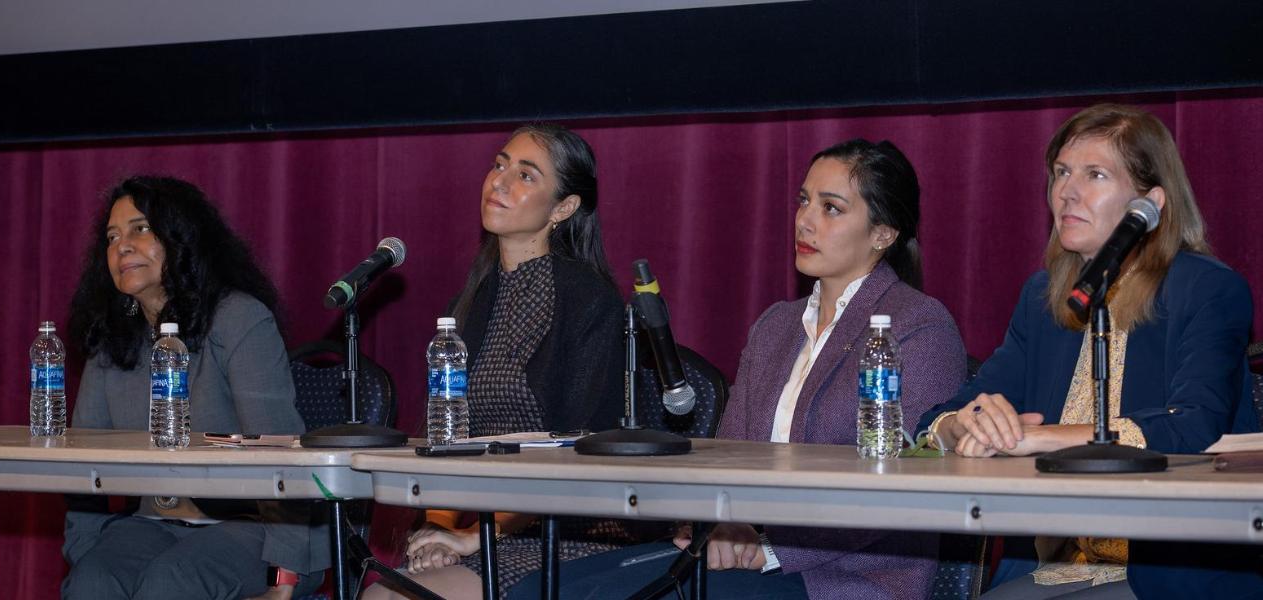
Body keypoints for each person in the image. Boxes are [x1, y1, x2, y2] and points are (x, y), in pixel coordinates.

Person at [524, 139, 968, 600]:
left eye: (831, 208)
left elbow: (901, 487)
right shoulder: (776, 326)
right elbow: (730, 456)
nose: (805, 220)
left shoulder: (919, 326)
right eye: (803, 201)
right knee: (540, 589)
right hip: (743, 558)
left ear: (883, 234)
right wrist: (718, 522)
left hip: (843, 578)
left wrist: (770, 550)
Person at [917, 104, 1262, 599]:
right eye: (1061, 172)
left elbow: (1193, 425)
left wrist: (1040, 438)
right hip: (1051, 567)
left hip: (1168, 574)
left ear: (1150, 203)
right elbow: (947, 411)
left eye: (1095, 174)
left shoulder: (1207, 289)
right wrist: (963, 425)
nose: (1067, 192)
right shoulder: (1043, 298)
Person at [364, 124, 627, 600]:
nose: (499, 182)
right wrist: (439, 526)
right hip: (494, 530)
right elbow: (450, 435)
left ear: (564, 208)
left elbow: (577, 450)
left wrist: (475, 535)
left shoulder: (589, 300)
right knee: (383, 591)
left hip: (576, 532)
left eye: (525, 175)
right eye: (499, 165)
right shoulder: (475, 299)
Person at [63, 176, 326, 600]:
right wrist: (85, 553)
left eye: (140, 229)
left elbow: (283, 458)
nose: (122, 246)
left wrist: (285, 581)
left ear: (181, 238)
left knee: (172, 581)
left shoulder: (239, 318)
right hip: (153, 524)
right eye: (112, 237)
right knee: (93, 580)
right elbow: (83, 467)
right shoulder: (112, 340)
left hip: (255, 530)